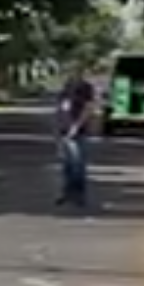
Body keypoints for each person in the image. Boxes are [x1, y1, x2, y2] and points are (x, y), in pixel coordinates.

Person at [54, 64, 95, 208]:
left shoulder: (85, 88)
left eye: (74, 72)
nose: (71, 74)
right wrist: (59, 130)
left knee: (78, 164)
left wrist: (76, 126)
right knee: (67, 164)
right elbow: (61, 108)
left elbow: (88, 108)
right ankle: (67, 193)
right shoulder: (66, 88)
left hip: (78, 131)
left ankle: (79, 195)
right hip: (64, 130)